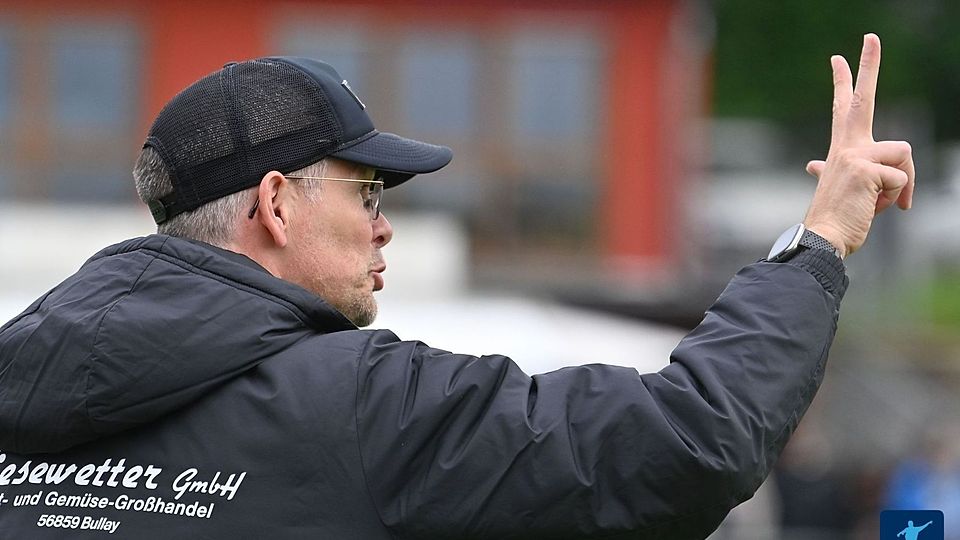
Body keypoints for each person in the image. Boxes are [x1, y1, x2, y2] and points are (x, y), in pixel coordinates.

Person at [0, 34, 912, 539]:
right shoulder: (360, 403)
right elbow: (686, 441)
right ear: (276, 205)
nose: (385, 223)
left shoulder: (18, 379)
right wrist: (822, 236)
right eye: (366, 191)